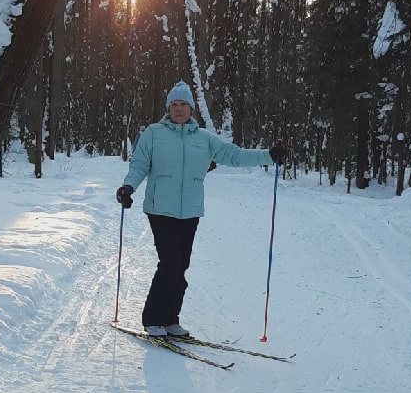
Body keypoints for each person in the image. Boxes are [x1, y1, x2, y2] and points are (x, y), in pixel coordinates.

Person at [116, 81, 285, 339]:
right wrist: (129, 187)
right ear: (168, 108)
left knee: (181, 266)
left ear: (191, 109)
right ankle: (152, 319)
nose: (178, 109)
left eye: (183, 104)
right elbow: (139, 164)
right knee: (169, 263)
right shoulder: (153, 133)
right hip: (161, 209)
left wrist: (268, 156)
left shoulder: (204, 139)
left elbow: (234, 155)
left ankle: (171, 320)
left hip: (190, 211)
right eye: (174, 105)